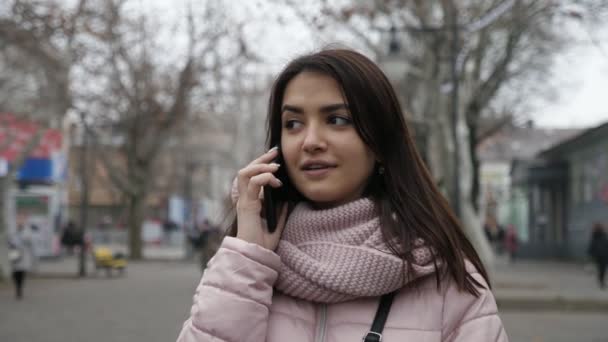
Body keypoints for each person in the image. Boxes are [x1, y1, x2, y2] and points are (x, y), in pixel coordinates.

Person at [177, 49, 508, 341]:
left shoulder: (445, 279)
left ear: (379, 142)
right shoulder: (247, 265)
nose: (310, 141)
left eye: (336, 119)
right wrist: (247, 258)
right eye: (293, 123)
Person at [8, 223, 35, 300]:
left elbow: (30, 242)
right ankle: (17, 287)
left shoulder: (27, 233)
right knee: (15, 271)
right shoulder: (13, 233)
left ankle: (19, 288)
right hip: (14, 252)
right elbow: (9, 242)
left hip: (23, 254)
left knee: (22, 271)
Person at [587, 222, 608, 289]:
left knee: (601, 269)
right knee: (602, 269)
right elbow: (592, 245)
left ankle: (601, 281)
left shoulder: (597, 236)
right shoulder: (598, 236)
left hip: (601, 255)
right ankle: (601, 281)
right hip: (601, 255)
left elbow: (592, 245)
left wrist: (590, 254)